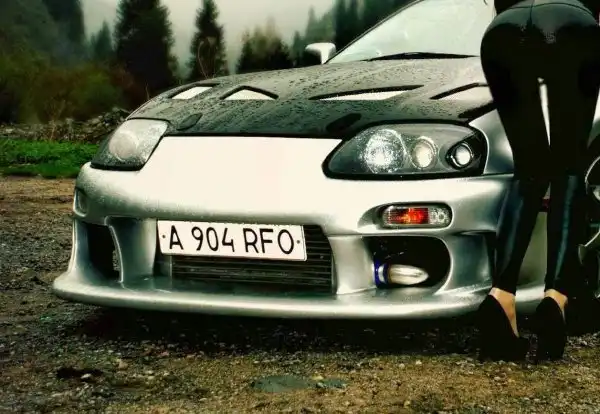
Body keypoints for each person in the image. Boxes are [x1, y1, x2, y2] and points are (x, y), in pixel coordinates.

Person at [477, 0, 600, 362]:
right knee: (569, 166)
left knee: (529, 168)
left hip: (503, 31)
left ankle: (501, 296)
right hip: (572, 24)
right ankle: (555, 298)